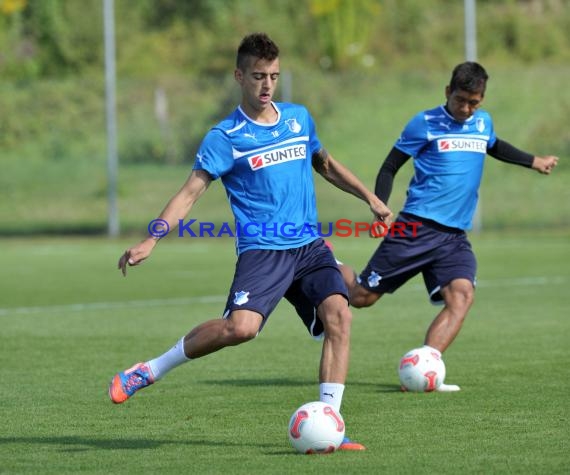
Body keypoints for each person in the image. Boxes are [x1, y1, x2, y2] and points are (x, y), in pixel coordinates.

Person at [108, 32, 392, 451]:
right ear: (239, 76)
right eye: (258, 76)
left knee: (339, 315)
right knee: (240, 329)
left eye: (274, 76)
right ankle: (149, 370)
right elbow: (189, 194)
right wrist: (152, 239)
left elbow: (326, 165)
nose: (266, 85)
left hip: (309, 246)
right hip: (263, 251)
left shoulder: (298, 118)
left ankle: (332, 422)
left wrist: (370, 197)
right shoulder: (225, 137)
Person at [332, 61, 558, 391]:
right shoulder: (423, 123)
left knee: (462, 296)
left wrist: (533, 161)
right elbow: (389, 167)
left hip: (454, 237)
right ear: (448, 92)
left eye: (474, 102)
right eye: (460, 100)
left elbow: (494, 145)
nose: (466, 109)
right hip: (417, 227)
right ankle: (328, 262)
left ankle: (425, 370)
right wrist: (380, 207)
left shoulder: (482, 122)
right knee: (361, 297)